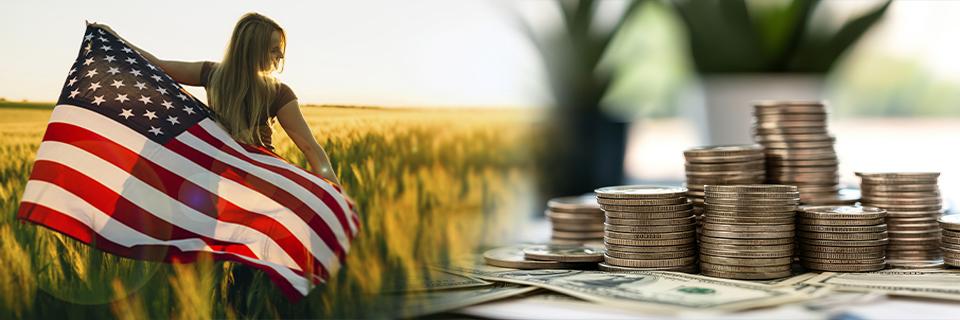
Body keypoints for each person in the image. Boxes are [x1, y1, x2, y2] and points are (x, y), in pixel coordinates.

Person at [89, 13, 341, 185]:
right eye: (274, 49)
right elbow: (310, 147)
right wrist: (336, 195)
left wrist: (115, 40)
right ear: (253, 48)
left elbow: (157, 65)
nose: (280, 56)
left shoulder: (213, 75)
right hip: (253, 180)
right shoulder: (276, 91)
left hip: (225, 178)